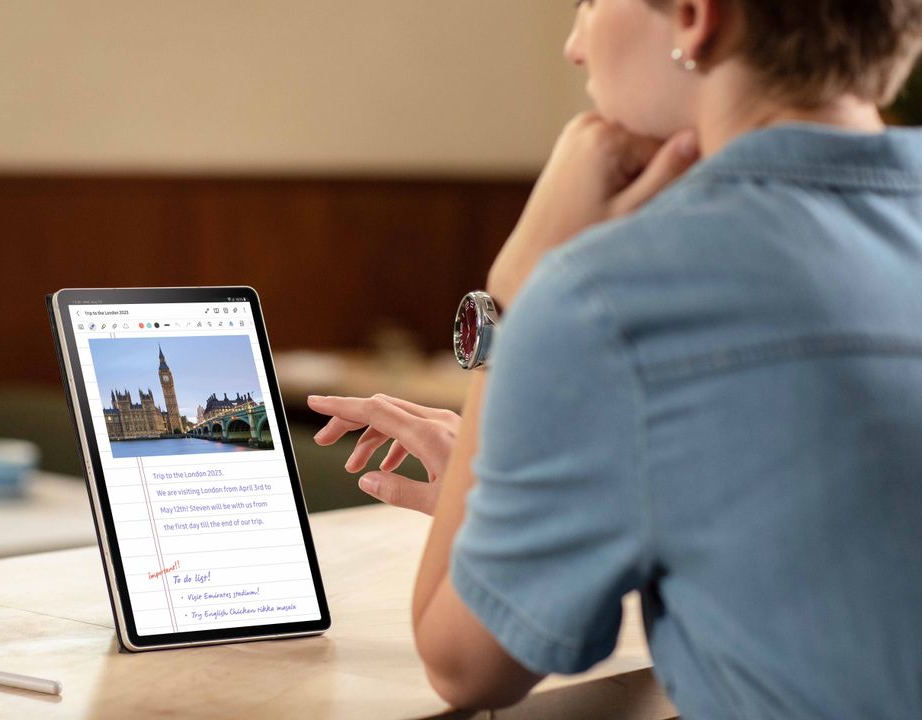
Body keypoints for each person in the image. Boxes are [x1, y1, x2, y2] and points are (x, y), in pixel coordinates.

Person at [309, 0, 922, 716]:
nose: (574, 46)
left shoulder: (613, 296)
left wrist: (515, 296)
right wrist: (512, 478)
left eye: (592, 3)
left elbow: (461, 665)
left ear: (696, 17)